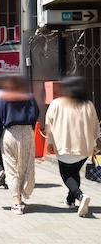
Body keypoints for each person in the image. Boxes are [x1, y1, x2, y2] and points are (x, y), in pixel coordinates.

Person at [46, 77, 101, 217]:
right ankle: (71, 200)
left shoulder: (56, 103)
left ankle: (80, 196)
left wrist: (50, 142)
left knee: (66, 175)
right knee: (74, 173)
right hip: (83, 148)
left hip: (63, 146)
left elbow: (49, 126)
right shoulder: (88, 104)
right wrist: (95, 144)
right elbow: (96, 127)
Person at [0, 76, 39, 215]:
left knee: (11, 169)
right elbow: (36, 114)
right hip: (27, 133)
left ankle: (16, 202)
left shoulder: (3, 98)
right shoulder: (29, 96)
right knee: (25, 166)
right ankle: (22, 195)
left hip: (10, 134)